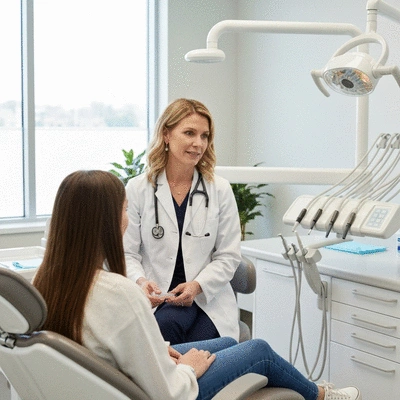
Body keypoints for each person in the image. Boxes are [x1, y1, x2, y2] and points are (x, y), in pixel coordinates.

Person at [33, 170, 361, 400]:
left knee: (230, 341)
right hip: (161, 391)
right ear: (106, 220)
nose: (128, 218)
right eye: (123, 210)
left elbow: (102, 344)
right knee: (257, 350)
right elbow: (168, 393)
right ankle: (319, 395)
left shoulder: (48, 280)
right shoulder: (120, 294)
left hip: (126, 375)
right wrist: (187, 369)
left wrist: (160, 352)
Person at [123, 98, 242, 344]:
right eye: (189, 133)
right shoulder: (138, 189)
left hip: (207, 296)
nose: (198, 144)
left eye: (204, 135)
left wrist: (197, 286)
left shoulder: (219, 189)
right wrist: (141, 281)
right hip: (161, 297)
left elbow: (228, 255)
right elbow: (127, 253)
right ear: (166, 134)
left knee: (206, 348)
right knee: (166, 332)